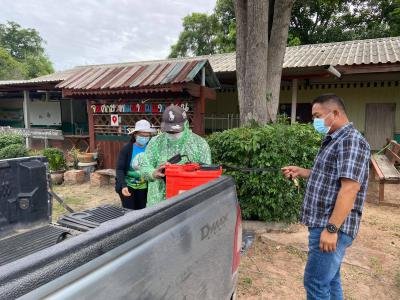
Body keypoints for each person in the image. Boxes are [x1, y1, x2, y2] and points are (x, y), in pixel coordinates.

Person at [282, 94, 370, 300]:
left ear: (335, 113)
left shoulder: (350, 141)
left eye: (317, 116)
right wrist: (302, 171)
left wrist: (331, 229)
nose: (315, 122)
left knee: (315, 282)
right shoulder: (336, 139)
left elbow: (349, 188)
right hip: (325, 224)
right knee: (330, 280)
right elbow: (331, 175)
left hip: (330, 226)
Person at [139, 105, 211, 206]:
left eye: (175, 131)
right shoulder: (156, 142)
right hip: (158, 203)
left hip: (189, 201)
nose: (172, 133)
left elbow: (206, 174)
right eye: (169, 131)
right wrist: (153, 173)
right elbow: (144, 166)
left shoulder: (199, 144)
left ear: (186, 124)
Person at [115, 119, 156, 210]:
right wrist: (123, 185)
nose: (144, 138)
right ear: (135, 135)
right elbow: (120, 169)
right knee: (129, 213)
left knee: (143, 212)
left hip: (145, 187)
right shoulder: (126, 149)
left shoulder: (152, 149)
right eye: (141, 135)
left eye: (147, 136)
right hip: (129, 187)